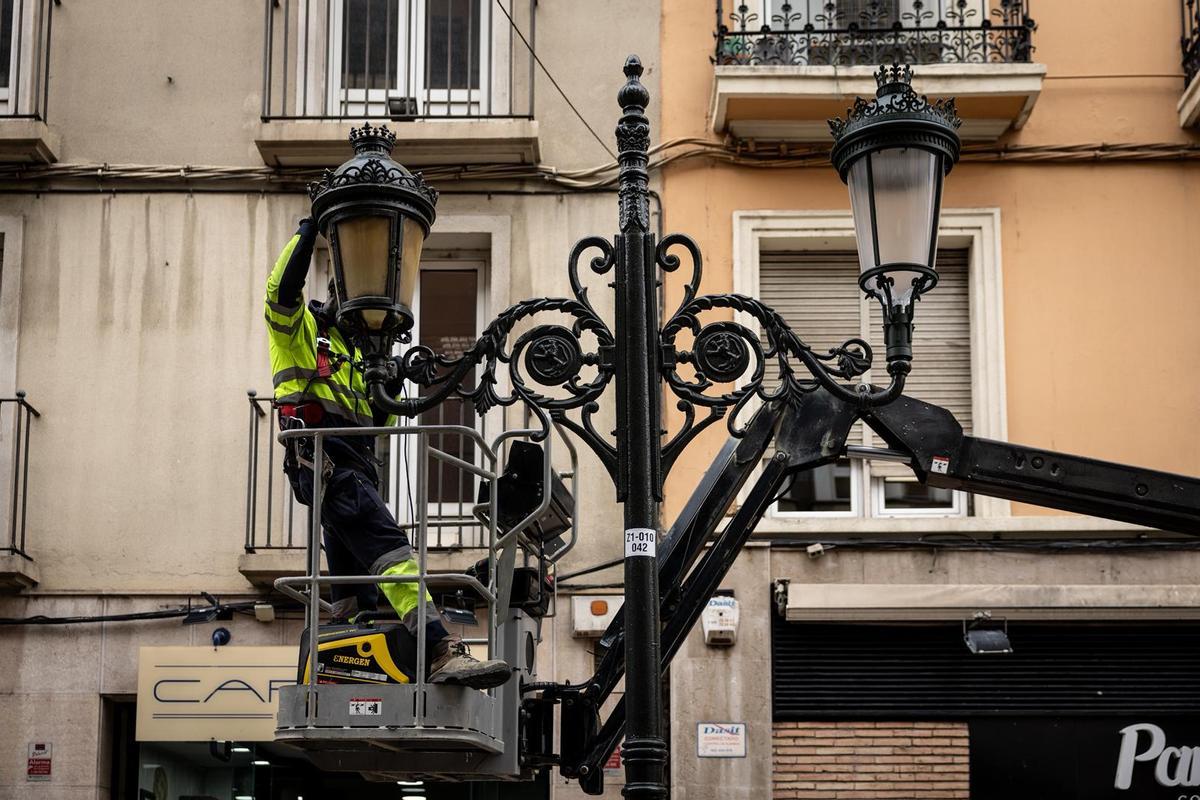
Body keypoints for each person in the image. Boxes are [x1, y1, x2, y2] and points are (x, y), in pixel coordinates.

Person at [265, 217, 510, 690]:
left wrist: (392, 383)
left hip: (354, 468)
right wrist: (310, 227)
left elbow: (382, 425)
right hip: (322, 461)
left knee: (355, 583)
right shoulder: (302, 330)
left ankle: (347, 650)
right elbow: (280, 290)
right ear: (342, 295)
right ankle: (439, 648)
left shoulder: (362, 357)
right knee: (391, 552)